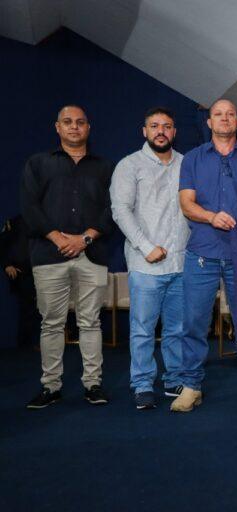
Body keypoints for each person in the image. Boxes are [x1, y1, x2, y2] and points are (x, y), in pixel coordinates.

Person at [171, 99, 237, 412]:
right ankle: (190, 385)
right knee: (194, 324)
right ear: (209, 123)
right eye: (218, 114)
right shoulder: (192, 160)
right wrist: (212, 217)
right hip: (201, 253)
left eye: (230, 114)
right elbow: (186, 203)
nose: (224, 119)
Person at [20, 105, 114, 409]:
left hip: (92, 254)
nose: (74, 127)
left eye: (80, 122)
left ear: (89, 128)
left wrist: (84, 238)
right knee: (51, 324)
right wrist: (58, 237)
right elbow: (29, 207)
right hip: (49, 254)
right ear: (57, 127)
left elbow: (113, 209)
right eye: (68, 122)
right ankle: (51, 387)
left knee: (91, 323)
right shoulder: (38, 164)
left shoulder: (104, 167)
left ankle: (93, 385)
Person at [110, 107, 189, 410]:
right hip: (145, 265)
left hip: (180, 264)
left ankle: (174, 379)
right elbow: (121, 210)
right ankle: (142, 384)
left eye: (167, 126)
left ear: (174, 132)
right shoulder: (129, 165)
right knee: (143, 329)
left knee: (176, 330)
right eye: (154, 126)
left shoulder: (186, 164)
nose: (160, 131)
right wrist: (146, 246)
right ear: (144, 131)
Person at [0, 215, 41, 349]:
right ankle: (25, 345)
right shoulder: (15, 222)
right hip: (23, 271)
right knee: (27, 307)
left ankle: (34, 343)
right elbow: (2, 244)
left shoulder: (45, 220)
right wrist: (7, 265)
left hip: (43, 270)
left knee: (42, 308)